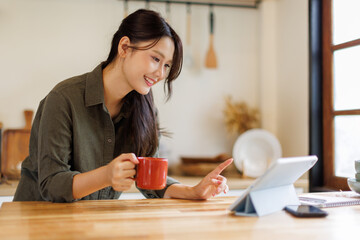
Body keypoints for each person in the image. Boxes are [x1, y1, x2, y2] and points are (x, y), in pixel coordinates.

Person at [13, 9, 233, 203]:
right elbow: (52, 185)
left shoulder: (144, 108)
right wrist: (106, 176)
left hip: (88, 225)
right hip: (35, 222)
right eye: (156, 59)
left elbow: (152, 181)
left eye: (167, 65)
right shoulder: (63, 99)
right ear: (125, 47)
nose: (161, 74)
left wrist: (194, 191)